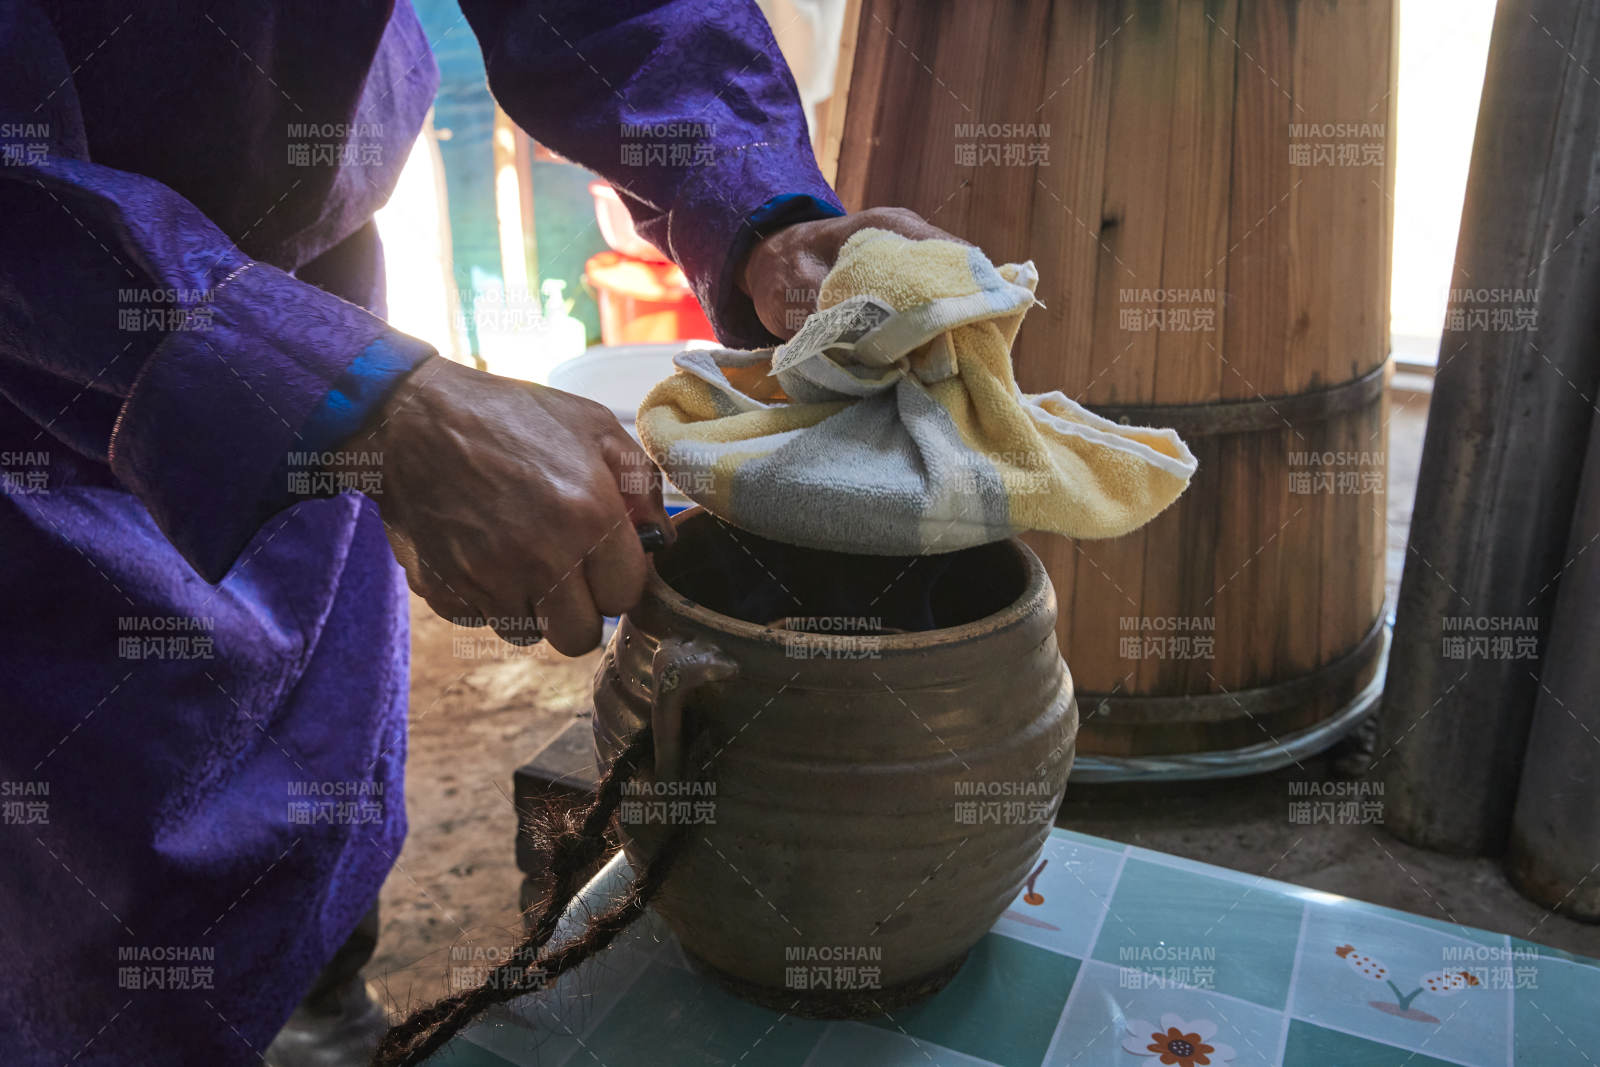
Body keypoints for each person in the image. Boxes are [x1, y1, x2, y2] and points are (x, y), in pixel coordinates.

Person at [0, 1, 955, 1063]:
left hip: (310, 285)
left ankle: (322, 1003)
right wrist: (345, 397)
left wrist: (754, 203)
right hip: (38, 395)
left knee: (318, 767)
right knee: (85, 900)